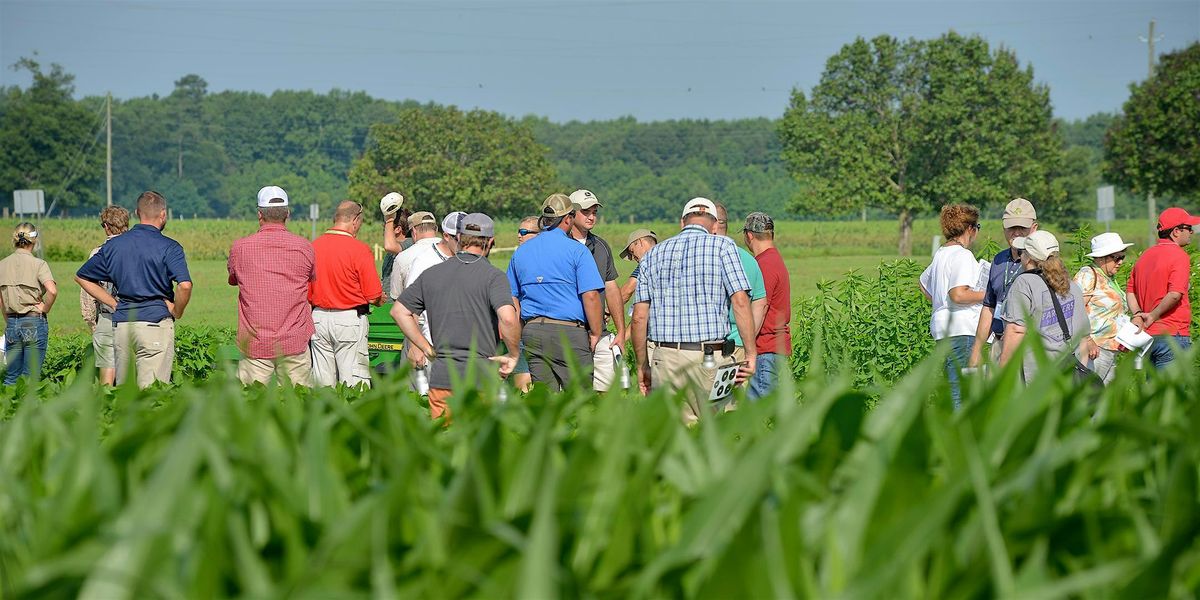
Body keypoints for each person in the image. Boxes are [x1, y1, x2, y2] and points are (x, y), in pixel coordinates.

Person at [632, 197, 756, 424]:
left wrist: (642, 365)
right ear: (715, 225)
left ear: (682, 222)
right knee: (717, 431)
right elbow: (740, 301)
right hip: (710, 357)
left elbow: (639, 316)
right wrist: (750, 353)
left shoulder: (653, 254)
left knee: (673, 435)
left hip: (665, 358)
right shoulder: (724, 246)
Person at [395, 213, 521, 420]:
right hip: (481, 376)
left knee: (445, 444)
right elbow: (507, 318)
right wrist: (514, 354)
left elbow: (399, 311)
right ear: (490, 242)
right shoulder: (494, 276)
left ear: (459, 238)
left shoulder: (432, 274)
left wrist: (426, 347)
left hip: (442, 376)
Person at [76, 191, 192, 388]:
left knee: (125, 394)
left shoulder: (114, 246)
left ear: (137, 212)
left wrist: (113, 303)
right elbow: (185, 285)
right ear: (163, 214)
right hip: (155, 323)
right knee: (152, 395)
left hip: (123, 326)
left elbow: (82, 277)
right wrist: (177, 311)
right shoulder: (170, 247)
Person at [507, 193, 605, 390]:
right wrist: (595, 333)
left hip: (533, 331)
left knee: (545, 401)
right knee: (580, 399)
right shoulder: (577, 250)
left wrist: (518, 333)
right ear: (568, 219)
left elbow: (513, 299)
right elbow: (591, 296)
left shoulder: (521, 252)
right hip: (568, 332)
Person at [227, 186, 317, 386]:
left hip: (255, 342)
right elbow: (311, 279)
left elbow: (233, 279)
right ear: (287, 213)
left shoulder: (240, 248)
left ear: (260, 214)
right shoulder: (304, 247)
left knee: (251, 405)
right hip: (294, 340)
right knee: (299, 405)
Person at [1000, 231, 1096, 383]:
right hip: (1069, 372)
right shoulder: (1071, 286)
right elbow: (1083, 337)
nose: (1020, 257)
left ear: (1028, 258)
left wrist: (1003, 373)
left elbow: (1016, 330)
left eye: (1022, 252)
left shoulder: (1024, 283)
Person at [309, 200, 384, 387]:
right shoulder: (359, 249)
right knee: (353, 382)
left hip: (318, 318)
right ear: (355, 220)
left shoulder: (313, 246)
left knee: (322, 384)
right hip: (348, 319)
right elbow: (374, 295)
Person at [919, 203, 984, 409]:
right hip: (962, 328)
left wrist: (939, 301)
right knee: (962, 390)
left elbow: (923, 283)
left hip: (943, 328)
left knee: (953, 385)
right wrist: (988, 294)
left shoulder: (941, 254)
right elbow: (958, 294)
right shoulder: (963, 255)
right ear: (970, 229)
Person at [567, 189, 628, 391]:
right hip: (569, 329)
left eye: (594, 212)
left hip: (600, 331)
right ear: (572, 213)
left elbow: (611, 289)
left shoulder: (601, 246)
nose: (592, 216)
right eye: (586, 212)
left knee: (607, 391)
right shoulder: (561, 244)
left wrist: (620, 331)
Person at [1126, 207, 1200, 369]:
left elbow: (1130, 291)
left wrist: (1138, 315)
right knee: (1171, 392)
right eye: (1189, 228)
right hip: (1173, 334)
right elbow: (1175, 294)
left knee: (1153, 390)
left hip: (1148, 336)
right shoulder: (1179, 256)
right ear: (1176, 232)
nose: (1192, 232)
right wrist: (1153, 315)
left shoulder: (1145, 255)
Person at [969, 198, 1038, 368]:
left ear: (1034, 228)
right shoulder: (999, 260)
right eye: (1011, 228)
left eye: (1022, 227)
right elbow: (989, 307)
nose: (1016, 233)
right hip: (999, 344)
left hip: (1031, 347)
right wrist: (977, 350)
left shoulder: (1043, 261)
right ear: (1004, 228)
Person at [742, 211, 792, 399]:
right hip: (774, 348)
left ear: (749, 235)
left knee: (755, 414)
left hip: (766, 349)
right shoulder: (773, 259)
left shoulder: (765, 264)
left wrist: (746, 346)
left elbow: (760, 307)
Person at [1073, 232, 1134, 385]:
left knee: (1104, 400)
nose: (1120, 262)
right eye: (1116, 258)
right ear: (1101, 258)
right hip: (1094, 349)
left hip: (1109, 348)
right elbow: (1075, 310)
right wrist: (1087, 339)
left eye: (1122, 257)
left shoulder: (1108, 278)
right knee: (1091, 396)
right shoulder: (1088, 275)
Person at [0, 223, 57, 384]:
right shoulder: (39, 264)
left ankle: (6, 408)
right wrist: (45, 308)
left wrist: (10, 320)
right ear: (34, 240)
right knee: (30, 378)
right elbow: (52, 290)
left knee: (11, 377)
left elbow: (1, 300)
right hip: (33, 321)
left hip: (12, 322)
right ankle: (28, 408)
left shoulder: (2, 265)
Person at [714, 202, 767, 370]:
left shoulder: (696, 258)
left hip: (702, 346)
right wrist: (748, 340)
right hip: (738, 345)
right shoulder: (749, 260)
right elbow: (760, 303)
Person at [80, 206, 129, 386]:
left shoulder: (97, 253)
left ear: (107, 226)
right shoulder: (136, 250)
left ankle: (106, 409)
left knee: (106, 377)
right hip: (134, 316)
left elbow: (87, 294)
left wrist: (92, 322)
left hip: (107, 317)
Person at [509, 216, 541, 392]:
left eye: (523, 232)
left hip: (532, 327)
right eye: (518, 232)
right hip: (523, 328)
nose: (519, 236)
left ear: (538, 235)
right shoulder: (517, 257)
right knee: (523, 386)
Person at [379, 192, 412, 293]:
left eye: (386, 225)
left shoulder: (410, 244)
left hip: (397, 304)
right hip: (386, 304)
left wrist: (389, 220)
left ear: (398, 229)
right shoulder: (394, 249)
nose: (385, 228)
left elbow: (389, 246)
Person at [619, 229, 657, 305]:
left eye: (632, 251)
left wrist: (607, 311)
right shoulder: (667, 255)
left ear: (640, 242)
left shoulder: (647, 261)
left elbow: (627, 292)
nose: (633, 257)